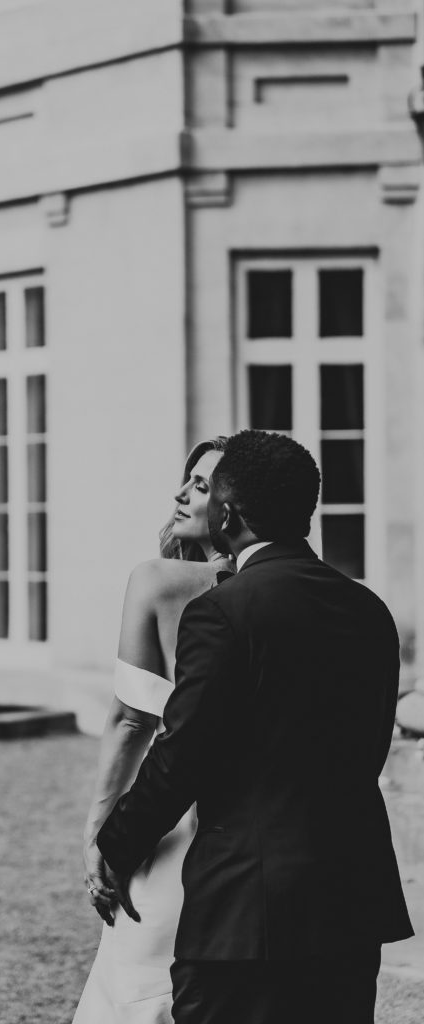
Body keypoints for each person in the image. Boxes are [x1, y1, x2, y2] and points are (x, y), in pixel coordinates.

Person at [97, 429, 414, 1024]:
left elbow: (181, 756)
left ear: (227, 513)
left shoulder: (221, 611)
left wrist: (114, 845)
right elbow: (372, 747)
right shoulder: (369, 609)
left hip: (244, 908)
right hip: (351, 894)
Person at [73, 437, 234, 1023]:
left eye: (200, 484)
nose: (180, 493)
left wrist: (99, 830)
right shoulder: (281, 594)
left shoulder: (158, 581)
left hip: (171, 827)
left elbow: (130, 719)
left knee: (139, 996)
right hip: (246, 840)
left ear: (233, 504)